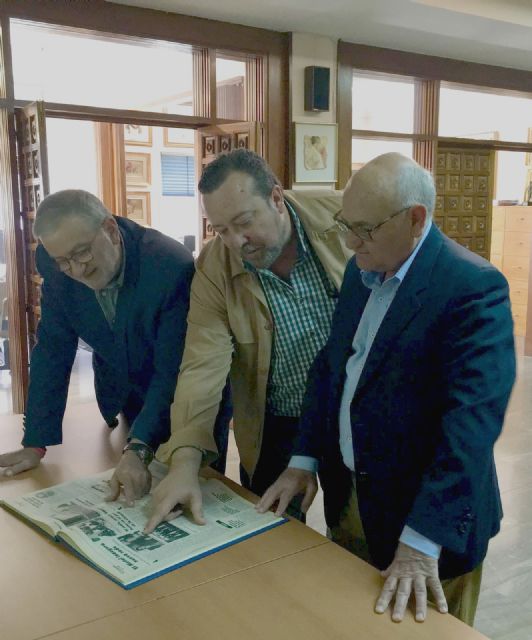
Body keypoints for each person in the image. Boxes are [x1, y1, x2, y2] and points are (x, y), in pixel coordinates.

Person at [257, 153, 516, 626]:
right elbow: (332, 368)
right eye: (346, 224)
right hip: (353, 497)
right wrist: (304, 459)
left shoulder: (473, 288)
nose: (352, 242)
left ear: (415, 219)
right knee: (354, 624)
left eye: (367, 228)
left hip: (426, 523)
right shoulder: (364, 268)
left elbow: (470, 428)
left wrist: (421, 542)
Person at [144, 149, 350, 533]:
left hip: (353, 413)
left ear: (276, 198)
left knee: (358, 534)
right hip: (276, 421)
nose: (237, 241)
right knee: (268, 532)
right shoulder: (215, 267)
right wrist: (186, 462)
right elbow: (202, 366)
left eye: (243, 222)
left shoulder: (343, 221)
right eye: (221, 230)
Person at [0, 190, 230, 503]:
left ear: (110, 229)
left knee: (192, 492)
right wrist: (35, 442)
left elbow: (172, 369)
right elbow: (53, 350)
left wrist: (139, 447)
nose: (77, 269)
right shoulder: (55, 263)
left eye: (82, 253)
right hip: (124, 391)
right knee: (133, 492)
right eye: (64, 261)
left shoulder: (167, 265)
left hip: (186, 399)